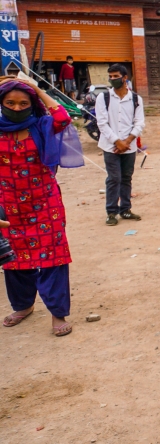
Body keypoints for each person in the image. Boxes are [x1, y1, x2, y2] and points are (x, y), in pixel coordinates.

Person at [0, 78, 83, 337]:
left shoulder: (42, 125)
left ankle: (58, 314)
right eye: (9, 103)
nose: (16, 108)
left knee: (53, 258)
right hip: (8, 208)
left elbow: (64, 117)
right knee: (13, 260)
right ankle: (23, 306)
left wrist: (37, 89)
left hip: (45, 205)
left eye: (23, 103)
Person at [95, 64, 144, 226]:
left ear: (124, 78)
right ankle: (111, 212)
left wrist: (127, 142)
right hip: (110, 147)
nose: (113, 79)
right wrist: (117, 142)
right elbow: (102, 124)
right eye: (111, 77)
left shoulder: (136, 99)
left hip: (129, 147)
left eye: (116, 76)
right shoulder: (104, 98)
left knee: (126, 178)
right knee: (114, 178)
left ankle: (125, 209)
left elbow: (139, 123)